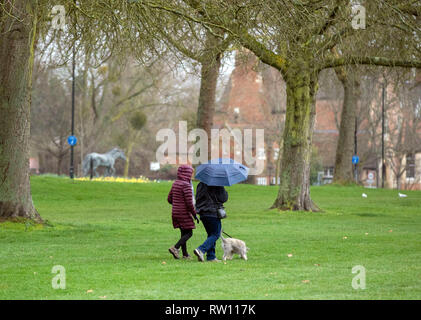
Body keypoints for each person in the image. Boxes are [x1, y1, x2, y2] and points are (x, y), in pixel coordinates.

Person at [167, 165, 199, 259]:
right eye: (191, 173)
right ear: (187, 173)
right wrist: (194, 215)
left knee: (183, 232)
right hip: (183, 213)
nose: (191, 175)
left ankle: (185, 254)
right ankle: (175, 248)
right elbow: (189, 203)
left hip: (175, 212)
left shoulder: (175, 183)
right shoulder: (186, 185)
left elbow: (169, 199)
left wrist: (177, 204)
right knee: (189, 233)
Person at [193, 181, 228, 262]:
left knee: (211, 235)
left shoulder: (200, 184)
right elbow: (223, 198)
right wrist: (225, 192)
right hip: (213, 212)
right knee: (216, 234)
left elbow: (197, 198)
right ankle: (201, 250)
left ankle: (211, 256)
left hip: (203, 213)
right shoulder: (218, 183)